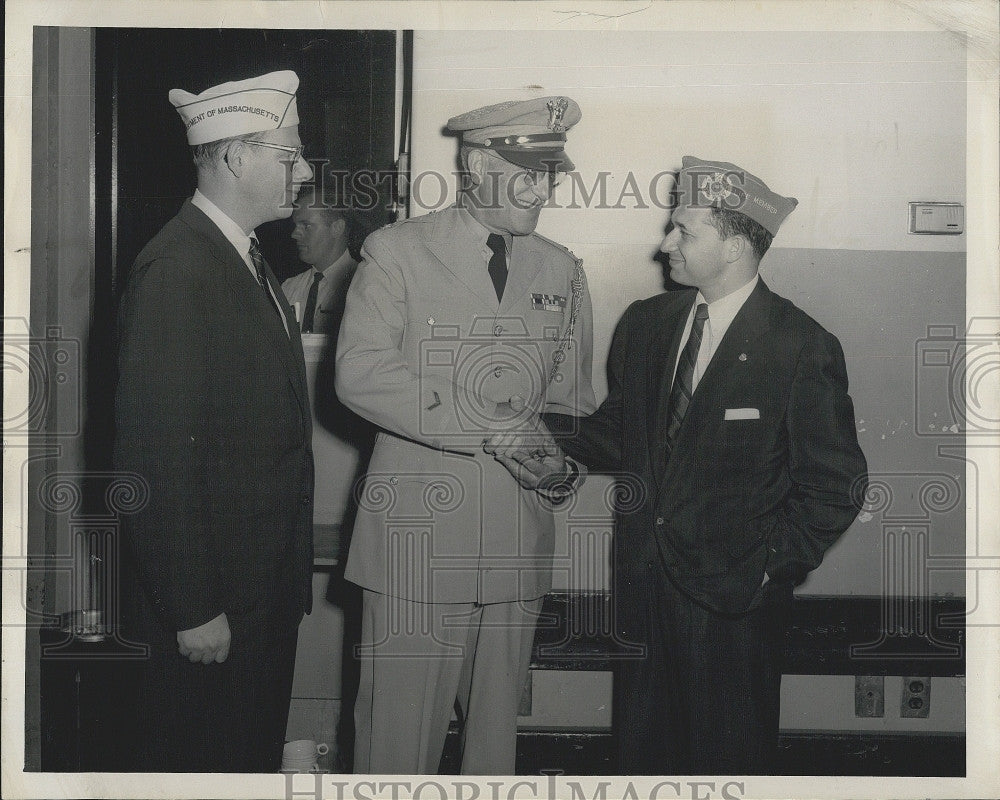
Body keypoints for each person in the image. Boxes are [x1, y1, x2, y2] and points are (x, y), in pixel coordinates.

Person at [487, 156, 868, 774]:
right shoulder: (647, 325)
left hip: (735, 612)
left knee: (728, 767)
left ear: (738, 243)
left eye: (684, 231)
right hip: (643, 596)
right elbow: (620, 436)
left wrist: (767, 571)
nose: (666, 245)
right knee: (642, 760)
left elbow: (837, 485)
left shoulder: (800, 346)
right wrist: (534, 419)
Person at [334, 96, 597, 774]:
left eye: (550, 175)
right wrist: (489, 423)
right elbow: (360, 374)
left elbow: (567, 409)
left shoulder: (561, 270)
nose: (542, 189)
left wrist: (563, 474)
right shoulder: (397, 251)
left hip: (516, 537)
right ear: (478, 165)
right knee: (395, 751)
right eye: (526, 172)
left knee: (493, 753)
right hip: (416, 544)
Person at [113, 70, 316, 772]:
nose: (306, 171)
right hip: (213, 610)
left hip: (255, 598)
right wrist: (192, 606)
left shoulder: (238, 256)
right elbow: (152, 457)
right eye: (289, 156)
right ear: (235, 158)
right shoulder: (180, 268)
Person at [282, 186, 363, 334]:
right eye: (296, 225)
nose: (294, 234)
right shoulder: (289, 288)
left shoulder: (365, 283)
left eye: (306, 226)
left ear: (337, 228)